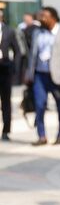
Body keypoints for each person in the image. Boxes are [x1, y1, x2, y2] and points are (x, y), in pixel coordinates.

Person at [26, 6, 60, 146]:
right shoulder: (37, 33)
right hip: (40, 76)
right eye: (40, 16)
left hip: (58, 77)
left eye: (44, 16)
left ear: (53, 18)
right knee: (39, 105)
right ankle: (42, 136)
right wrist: (29, 73)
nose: (41, 19)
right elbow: (32, 56)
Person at [0, 9, 22, 141]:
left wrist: (15, 68)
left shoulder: (9, 31)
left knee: (6, 102)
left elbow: (18, 51)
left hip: (4, 69)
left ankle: (6, 130)